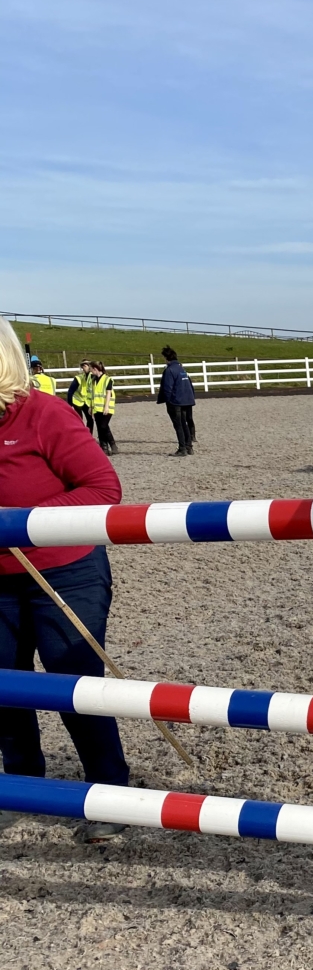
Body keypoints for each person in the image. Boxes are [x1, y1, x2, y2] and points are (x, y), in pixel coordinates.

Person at [0, 318, 130, 841]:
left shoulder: (44, 413)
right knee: (5, 688)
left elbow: (104, 488)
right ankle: (24, 787)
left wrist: (19, 519)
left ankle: (109, 795)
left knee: (72, 681)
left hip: (64, 571)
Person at [156, 346, 197, 456]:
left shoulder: (169, 370)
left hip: (175, 402)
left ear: (166, 358)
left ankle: (182, 448)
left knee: (178, 425)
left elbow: (167, 388)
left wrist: (168, 401)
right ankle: (189, 447)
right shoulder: (181, 369)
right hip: (185, 400)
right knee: (184, 423)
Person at [88, 362, 118, 456]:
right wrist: (91, 406)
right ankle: (104, 447)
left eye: (91, 369)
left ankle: (112, 444)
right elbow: (93, 394)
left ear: (95, 369)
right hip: (97, 408)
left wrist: (106, 406)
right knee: (100, 427)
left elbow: (108, 393)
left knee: (103, 426)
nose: (90, 372)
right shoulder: (93, 380)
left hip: (106, 408)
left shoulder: (107, 379)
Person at [67, 359, 95, 430]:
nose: (83, 368)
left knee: (90, 420)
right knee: (79, 420)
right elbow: (70, 392)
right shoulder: (79, 378)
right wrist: (70, 404)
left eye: (85, 366)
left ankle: (88, 436)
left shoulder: (92, 377)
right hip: (77, 401)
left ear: (89, 366)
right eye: (82, 366)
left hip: (86, 401)